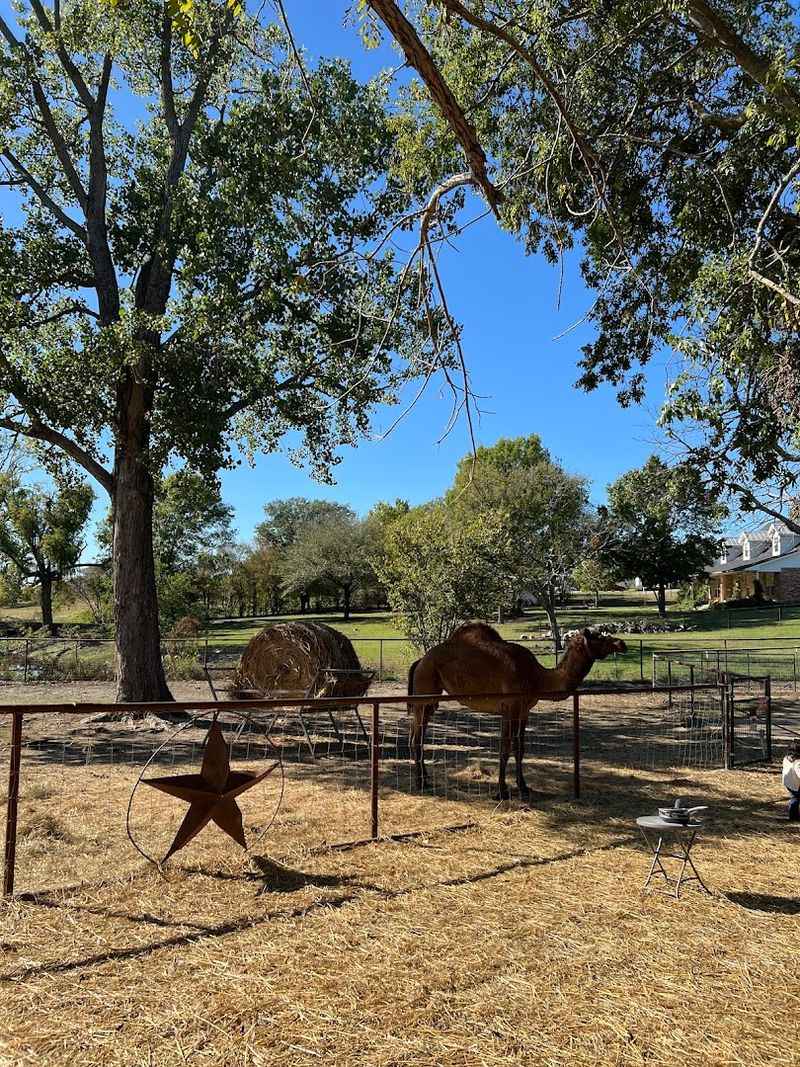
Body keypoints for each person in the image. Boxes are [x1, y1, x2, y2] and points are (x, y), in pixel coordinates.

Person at [782, 740, 800, 821]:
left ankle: (793, 815)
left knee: (794, 797)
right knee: (795, 799)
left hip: (788, 783)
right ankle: (793, 816)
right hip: (796, 784)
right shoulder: (797, 763)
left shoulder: (786, 758)